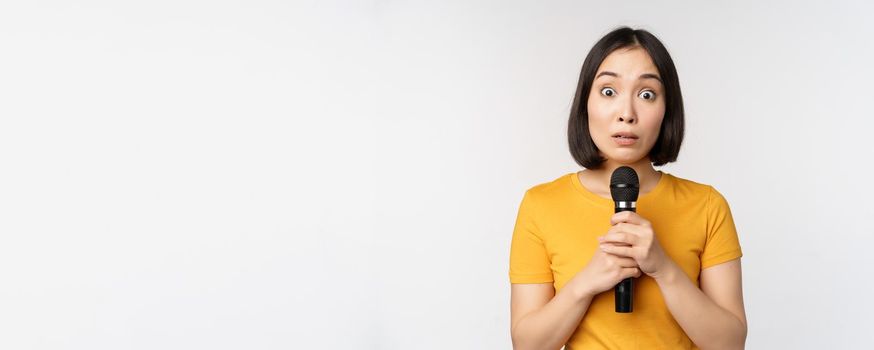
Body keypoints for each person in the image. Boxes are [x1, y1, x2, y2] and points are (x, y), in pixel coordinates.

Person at [508, 27, 747, 349]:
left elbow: (730, 344)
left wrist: (663, 268)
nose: (626, 114)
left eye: (646, 94)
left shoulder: (707, 205)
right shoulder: (541, 204)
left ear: (667, 110)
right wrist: (586, 283)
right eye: (609, 91)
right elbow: (528, 345)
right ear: (585, 103)